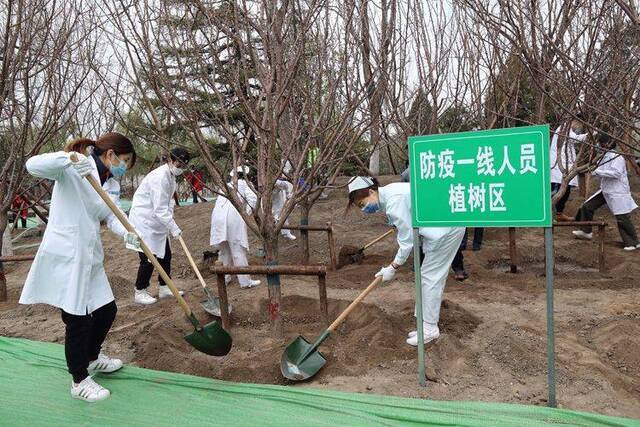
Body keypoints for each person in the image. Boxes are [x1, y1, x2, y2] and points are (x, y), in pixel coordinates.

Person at [19, 133, 137, 402]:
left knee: (107, 310)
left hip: (90, 256)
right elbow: (32, 165)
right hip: (68, 255)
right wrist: (68, 159)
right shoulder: (72, 168)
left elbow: (111, 214)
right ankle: (79, 379)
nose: (124, 166)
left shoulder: (111, 183)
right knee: (77, 319)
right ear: (111, 155)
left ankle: (93, 357)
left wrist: (129, 233)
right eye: (125, 160)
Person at [347, 176, 465, 346]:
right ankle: (424, 325)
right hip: (439, 227)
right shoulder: (391, 194)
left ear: (371, 191)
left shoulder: (394, 200)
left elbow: (407, 240)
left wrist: (393, 266)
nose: (365, 209)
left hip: (446, 228)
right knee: (426, 277)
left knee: (430, 278)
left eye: (362, 204)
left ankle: (430, 329)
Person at [128, 148, 191, 305]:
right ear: (170, 160)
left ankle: (165, 287)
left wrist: (170, 221)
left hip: (157, 221)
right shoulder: (159, 177)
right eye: (179, 163)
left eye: (184, 165)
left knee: (166, 255)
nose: (181, 167)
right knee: (149, 258)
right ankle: (140, 291)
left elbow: (168, 202)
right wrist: (174, 227)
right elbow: (159, 209)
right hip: (144, 222)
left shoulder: (171, 177)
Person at [573, 133, 639, 251]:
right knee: (587, 206)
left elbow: (616, 173)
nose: (598, 145)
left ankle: (632, 242)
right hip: (606, 190)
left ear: (605, 144)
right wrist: (594, 171)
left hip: (617, 191)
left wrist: (597, 171)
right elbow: (602, 171)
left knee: (622, 217)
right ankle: (585, 231)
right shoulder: (604, 156)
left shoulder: (616, 157)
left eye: (599, 143)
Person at [400, 166, 468, 280]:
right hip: (437, 210)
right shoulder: (439, 166)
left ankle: (419, 267)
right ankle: (458, 270)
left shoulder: (411, 171)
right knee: (446, 240)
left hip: (427, 211)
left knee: (423, 240)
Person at [210, 166, 261, 288]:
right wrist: (246, 214)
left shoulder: (225, 186)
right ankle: (245, 281)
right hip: (233, 218)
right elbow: (253, 199)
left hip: (218, 219)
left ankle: (225, 277)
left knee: (224, 249)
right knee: (238, 249)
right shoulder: (245, 184)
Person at [550, 115, 588, 221]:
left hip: (564, 165)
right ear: (575, 121)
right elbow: (575, 139)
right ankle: (553, 214)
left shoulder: (567, 129)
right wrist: (590, 135)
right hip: (559, 165)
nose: (578, 128)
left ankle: (558, 213)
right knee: (558, 190)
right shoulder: (564, 128)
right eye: (579, 125)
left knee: (565, 190)